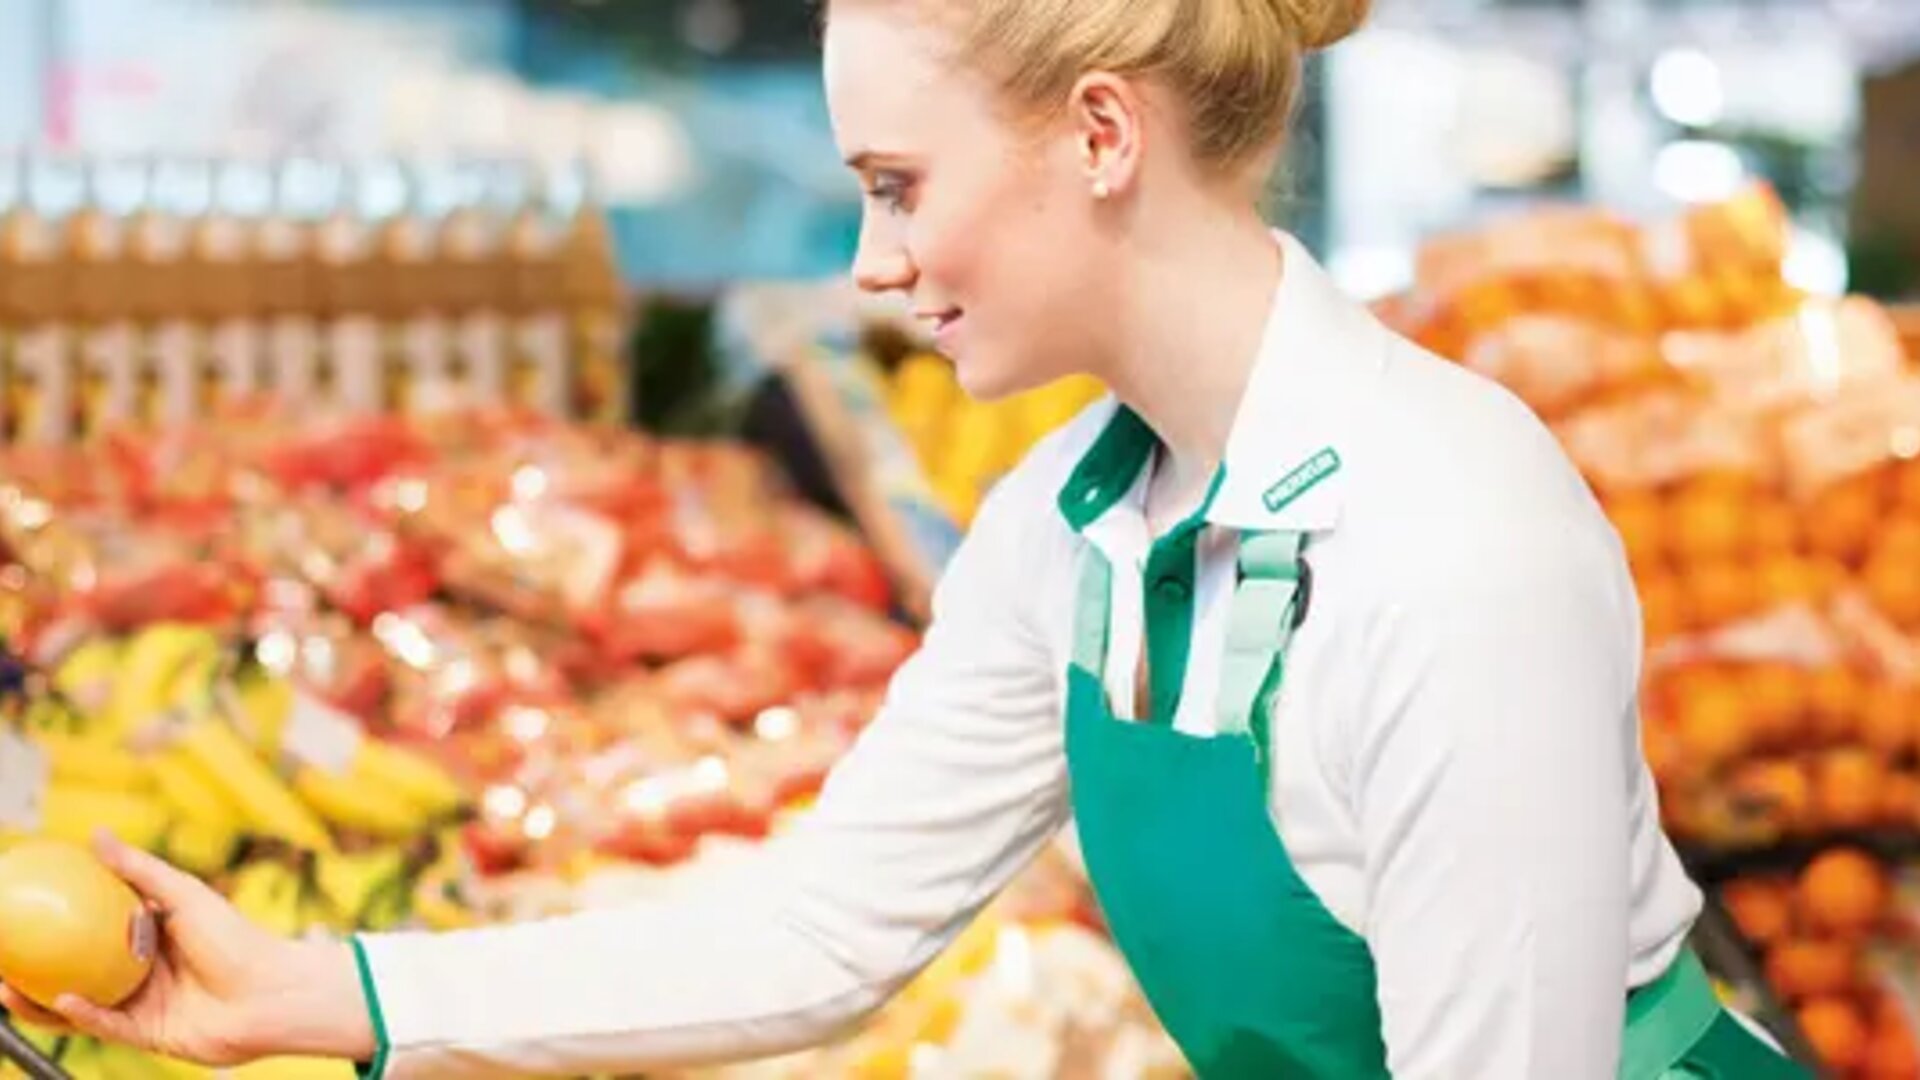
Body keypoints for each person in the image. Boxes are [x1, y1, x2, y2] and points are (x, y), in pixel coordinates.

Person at [1, 1, 1812, 1077]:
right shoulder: (1078, 522)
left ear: (1100, 135)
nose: (868, 267)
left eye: (896, 188)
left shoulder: (1446, 542)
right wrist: (317, 993)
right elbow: (823, 925)